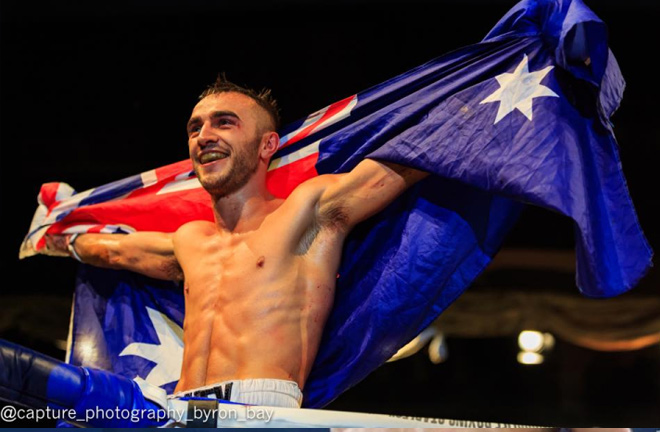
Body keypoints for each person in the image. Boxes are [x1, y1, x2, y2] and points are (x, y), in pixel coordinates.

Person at [46, 76, 428, 409]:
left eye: (224, 123)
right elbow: (113, 250)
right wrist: (58, 235)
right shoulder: (190, 240)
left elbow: (415, 156)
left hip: (260, 405)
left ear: (267, 146)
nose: (204, 135)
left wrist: (483, 90)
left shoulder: (308, 214)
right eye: (195, 128)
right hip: (180, 409)